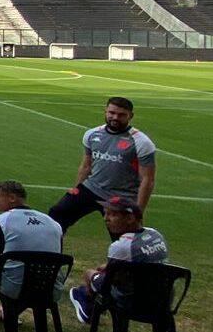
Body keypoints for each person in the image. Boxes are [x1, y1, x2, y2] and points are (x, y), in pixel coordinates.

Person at [48, 97, 156, 232]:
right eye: (112, 113)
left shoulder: (141, 142)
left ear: (131, 116)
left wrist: (138, 211)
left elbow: (148, 179)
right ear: (105, 111)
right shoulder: (92, 134)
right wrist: (76, 189)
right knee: (56, 215)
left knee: (123, 237)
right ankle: (50, 250)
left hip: (121, 196)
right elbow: (86, 166)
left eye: (121, 115)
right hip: (91, 188)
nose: (115, 117)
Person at [68, 196, 169, 323]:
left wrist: (98, 274)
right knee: (104, 270)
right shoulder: (155, 234)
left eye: (112, 214)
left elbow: (109, 282)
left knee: (89, 274)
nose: (106, 219)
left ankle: (88, 307)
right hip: (162, 299)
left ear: (130, 218)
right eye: (105, 214)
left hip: (132, 302)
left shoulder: (121, 246)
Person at [0, 180, 64, 312]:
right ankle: (13, 312)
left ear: (12, 198)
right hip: (50, 288)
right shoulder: (53, 223)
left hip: (15, 288)